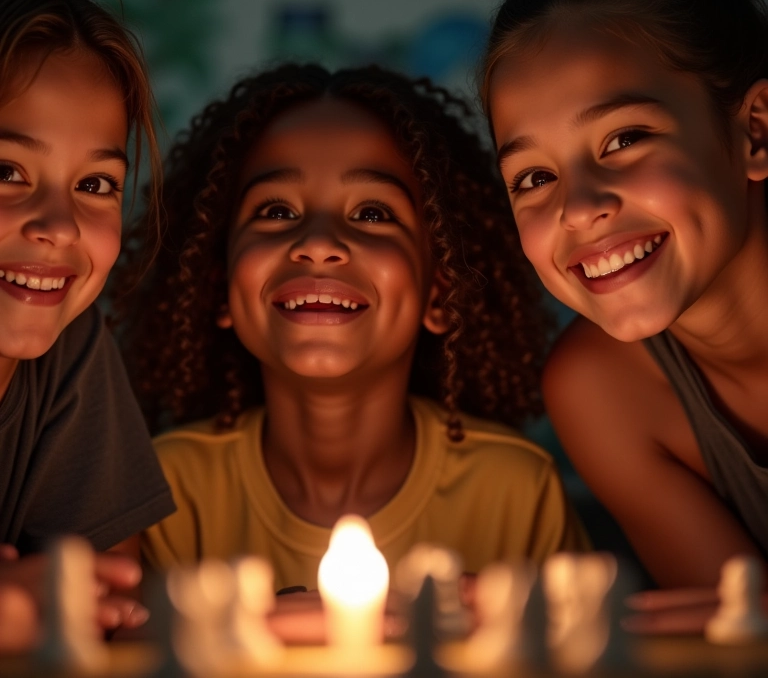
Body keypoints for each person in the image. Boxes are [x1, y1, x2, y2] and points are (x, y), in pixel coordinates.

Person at [112, 63, 589, 593]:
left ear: (441, 293)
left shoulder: (517, 492)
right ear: (217, 286)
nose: (318, 242)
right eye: (274, 210)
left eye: (372, 214)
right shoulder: (164, 490)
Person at [480, 0, 768, 616]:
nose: (578, 208)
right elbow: (739, 636)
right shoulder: (598, 390)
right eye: (533, 179)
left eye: (623, 139)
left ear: (756, 133)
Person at [0, 0, 175, 650]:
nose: (61, 225)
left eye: (96, 184)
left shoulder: (69, 349)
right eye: (7, 170)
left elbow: (105, 601)